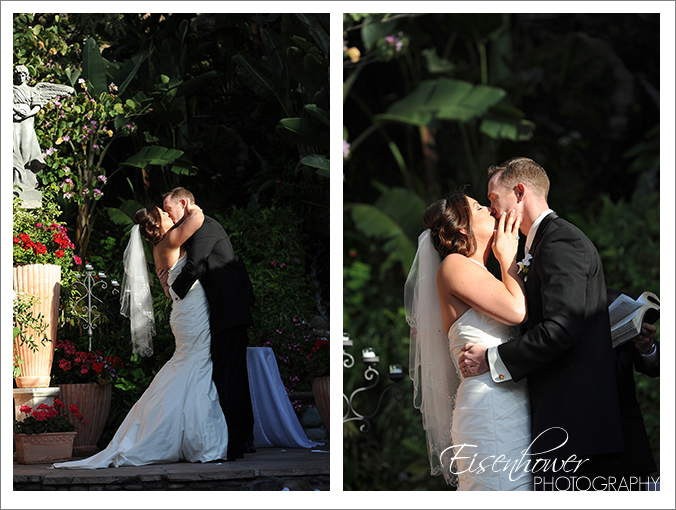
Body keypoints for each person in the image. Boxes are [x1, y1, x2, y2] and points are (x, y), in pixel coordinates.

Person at [459, 157, 624, 491]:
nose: (492, 210)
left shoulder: (561, 242)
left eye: (494, 199)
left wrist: (491, 358)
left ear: (520, 192)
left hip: (574, 426)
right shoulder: (541, 244)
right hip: (558, 421)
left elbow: (561, 329)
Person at [55, 202, 229, 468]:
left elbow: (169, 286)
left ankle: (186, 436)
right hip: (191, 313)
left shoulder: (161, 247)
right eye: (165, 213)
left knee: (189, 367)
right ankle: (202, 442)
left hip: (185, 311)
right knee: (197, 366)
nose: (170, 215)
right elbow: (197, 218)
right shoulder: (169, 240)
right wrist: (188, 204)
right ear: (158, 224)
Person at [406, 191, 533, 490]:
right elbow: (517, 311)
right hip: (490, 408)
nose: (489, 209)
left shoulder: (479, 272)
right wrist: (508, 258)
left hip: (509, 402)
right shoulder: (455, 265)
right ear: (463, 228)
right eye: (478, 207)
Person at [159, 188, 255, 461]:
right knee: (230, 375)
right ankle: (241, 439)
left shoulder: (206, 227)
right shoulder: (196, 230)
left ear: (183, 203)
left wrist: (172, 290)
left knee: (228, 376)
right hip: (223, 311)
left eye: (169, 210)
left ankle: (234, 443)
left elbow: (196, 267)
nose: (169, 216)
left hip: (228, 312)